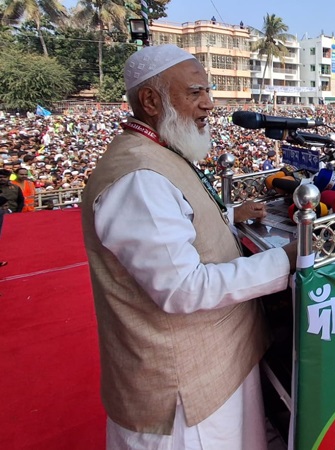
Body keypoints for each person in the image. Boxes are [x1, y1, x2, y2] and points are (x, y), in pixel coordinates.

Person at [81, 45, 298, 449]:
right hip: (182, 397)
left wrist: (228, 216)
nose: (209, 104)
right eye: (195, 92)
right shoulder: (138, 179)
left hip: (213, 370)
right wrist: (283, 261)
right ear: (150, 100)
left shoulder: (158, 150)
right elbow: (183, 288)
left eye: (208, 91)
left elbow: (172, 225)